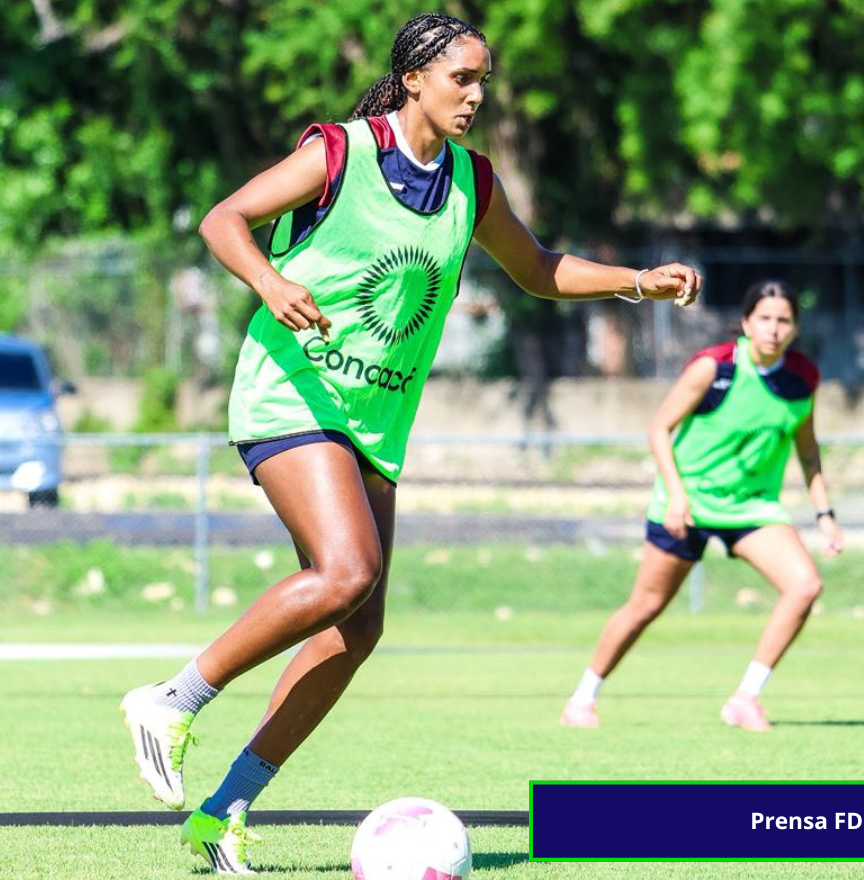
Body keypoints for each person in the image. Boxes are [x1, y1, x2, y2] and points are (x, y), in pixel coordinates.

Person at [119, 12, 702, 874]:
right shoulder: (341, 153)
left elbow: (537, 270)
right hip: (292, 392)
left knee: (358, 628)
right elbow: (222, 221)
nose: (475, 95)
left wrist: (634, 283)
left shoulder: (472, 181)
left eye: (484, 82)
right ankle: (172, 700)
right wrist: (272, 281)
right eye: (462, 78)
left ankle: (225, 810)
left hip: (374, 422)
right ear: (414, 78)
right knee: (346, 570)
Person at [561, 280, 843, 733]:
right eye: (764, 318)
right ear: (747, 323)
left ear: (794, 329)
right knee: (645, 606)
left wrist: (824, 515)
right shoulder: (715, 368)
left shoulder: (802, 378)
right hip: (687, 504)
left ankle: (746, 698)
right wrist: (676, 494)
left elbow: (808, 451)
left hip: (752, 509)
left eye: (783, 320)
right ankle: (582, 698)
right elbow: (659, 429)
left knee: (805, 586)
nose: (773, 328)